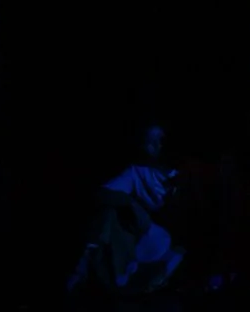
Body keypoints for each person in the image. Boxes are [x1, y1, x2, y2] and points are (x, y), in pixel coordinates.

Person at [68, 124, 189, 297]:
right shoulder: (138, 171)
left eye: (161, 140)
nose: (157, 145)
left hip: (181, 241)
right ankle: (86, 270)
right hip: (149, 238)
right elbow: (102, 193)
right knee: (109, 213)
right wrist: (130, 203)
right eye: (150, 141)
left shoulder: (189, 171)